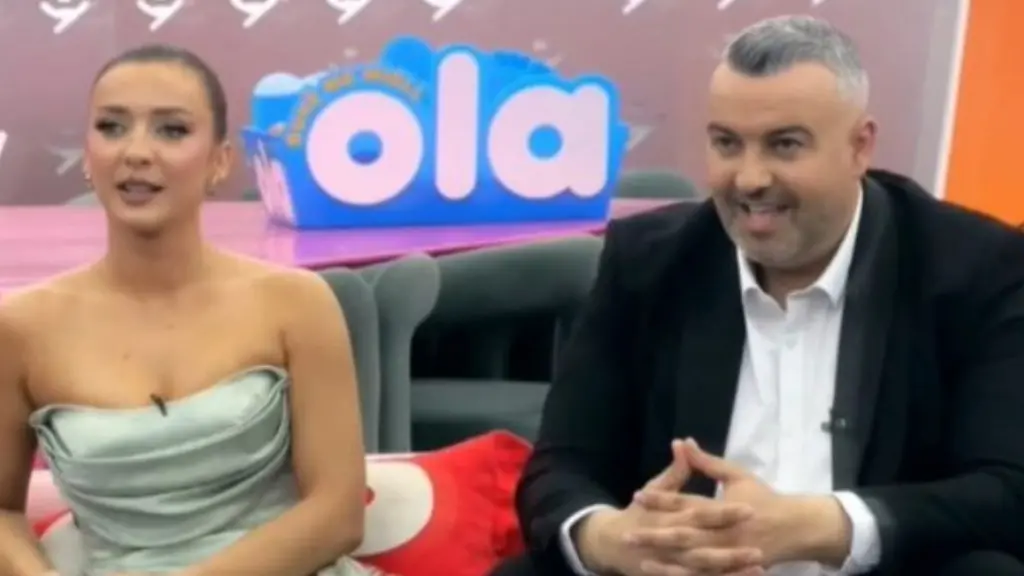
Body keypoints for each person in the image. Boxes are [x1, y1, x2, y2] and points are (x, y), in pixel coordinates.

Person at [493, 15, 1024, 576]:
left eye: (784, 145)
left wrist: (822, 527)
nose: (749, 179)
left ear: (859, 146)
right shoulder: (649, 263)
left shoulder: (977, 269)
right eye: (727, 143)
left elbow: (1008, 491)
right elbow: (561, 465)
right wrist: (611, 539)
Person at [0, 45, 375, 575]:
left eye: (171, 130)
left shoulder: (297, 303)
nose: (136, 151)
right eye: (111, 127)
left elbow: (338, 514)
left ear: (220, 161)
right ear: (87, 156)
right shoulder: (22, 328)